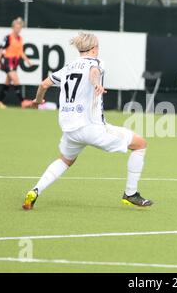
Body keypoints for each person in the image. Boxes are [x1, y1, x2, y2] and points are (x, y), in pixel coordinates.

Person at [22, 32, 153, 210]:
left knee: (65, 160)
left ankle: (35, 190)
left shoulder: (68, 67)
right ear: (93, 49)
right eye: (98, 46)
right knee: (140, 144)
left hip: (70, 129)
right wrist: (96, 83)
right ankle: (130, 193)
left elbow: (44, 84)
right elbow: (93, 73)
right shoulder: (95, 62)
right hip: (92, 128)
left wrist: (37, 101)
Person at [0, 17, 33, 109]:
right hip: (8, 62)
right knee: (16, 80)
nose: (18, 29)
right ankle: (22, 101)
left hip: (15, 63)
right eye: (17, 27)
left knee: (7, 82)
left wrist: (27, 60)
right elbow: (1, 49)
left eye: (20, 28)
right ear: (13, 27)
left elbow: (20, 52)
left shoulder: (20, 39)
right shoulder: (8, 37)